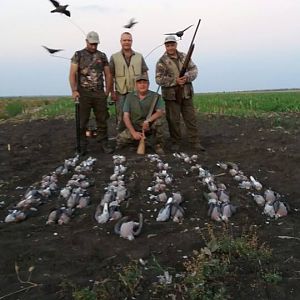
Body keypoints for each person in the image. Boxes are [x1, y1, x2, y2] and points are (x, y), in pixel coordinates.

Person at [155, 35, 205, 152]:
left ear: (175, 45)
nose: (170, 47)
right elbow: (159, 79)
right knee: (173, 120)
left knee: (191, 119)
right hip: (171, 96)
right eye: (168, 45)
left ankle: (195, 142)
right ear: (165, 46)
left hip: (186, 94)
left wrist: (186, 78)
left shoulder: (184, 56)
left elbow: (194, 70)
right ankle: (175, 142)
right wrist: (175, 81)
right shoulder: (161, 61)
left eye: (172, 44)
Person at [69, 31, 114, 154]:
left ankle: (103, 143)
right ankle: (82, 145)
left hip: (99, 93)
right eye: (92, 44)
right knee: (82, 121)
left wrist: (107, 91)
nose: (94, 46)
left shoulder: (102, 56)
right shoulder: (78, 55)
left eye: (96, 44)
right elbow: (72, 74)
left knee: (102, 119)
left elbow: (108, 74)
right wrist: (74, 91)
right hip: (83, 93)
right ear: (86, 41)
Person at [116, 74, 165, 155]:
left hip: (149, 127)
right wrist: (133, 133)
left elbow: (160, 112)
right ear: (136, 85)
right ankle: (138, 141)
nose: (142, 85)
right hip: (135, 126)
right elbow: (126, 116)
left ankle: (158, 145)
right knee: (120, 141)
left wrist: (148, 121)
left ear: (148, 84)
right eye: (140, 83)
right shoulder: (129, 97)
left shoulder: (156, 96)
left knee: (160, 121)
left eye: (144, 83)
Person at [110, 32, 149, 130]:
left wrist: (145, 90)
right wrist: (112, 92)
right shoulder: (114, 57)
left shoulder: (139, 56)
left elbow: (145, 73)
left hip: (136, 93)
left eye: (129, 40)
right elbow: (110, 75)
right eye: (124, 40)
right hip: (121, 93)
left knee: (137, 116)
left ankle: (136, 138)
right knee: (121, 117)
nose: (126, 42)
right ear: (120, 42)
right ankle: (121, 140)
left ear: (132, 41)